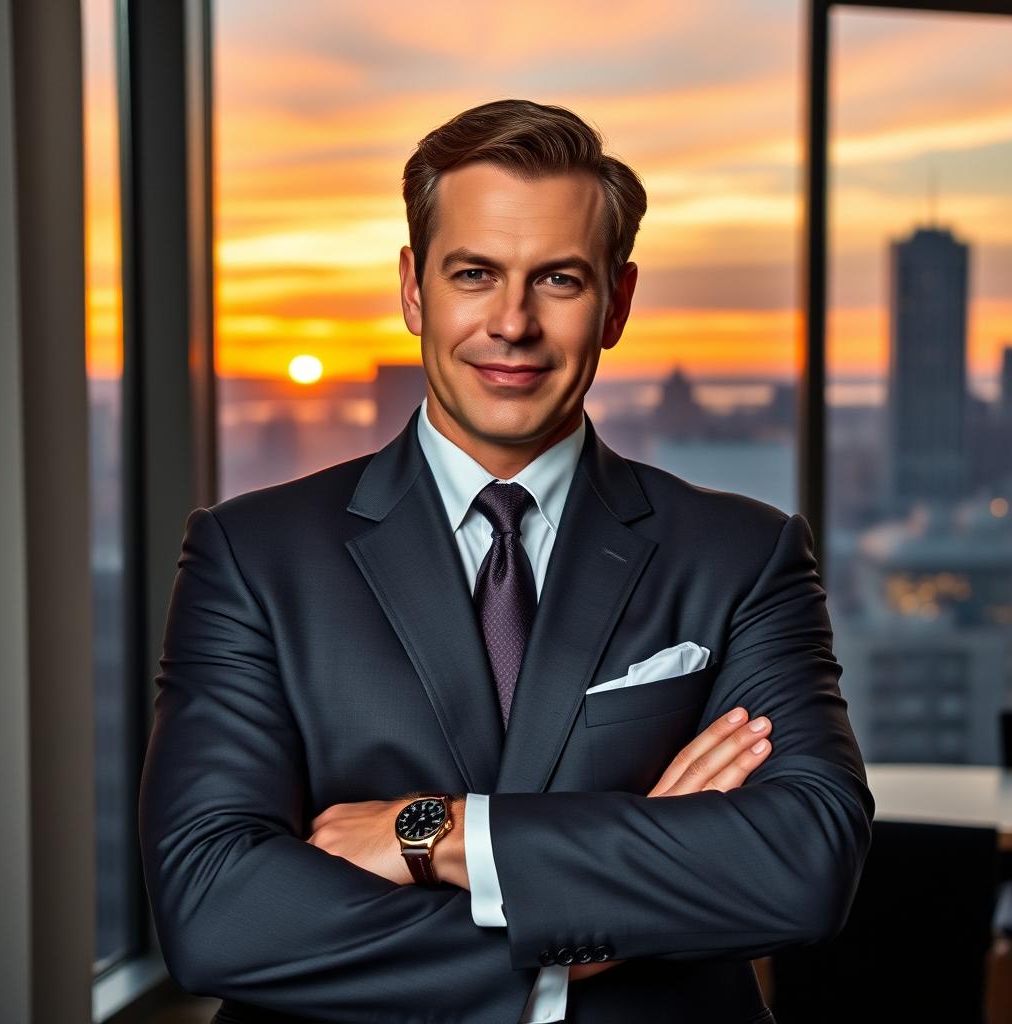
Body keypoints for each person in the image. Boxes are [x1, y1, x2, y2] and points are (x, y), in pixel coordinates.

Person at [138, 98, 874, 1024]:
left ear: (618, 301)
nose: (512, 324)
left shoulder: (742, 554)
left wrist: (438, 833)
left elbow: (803, 863)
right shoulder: (251, 556)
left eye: (559, 279)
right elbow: (217, 910)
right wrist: (580, 942)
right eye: (475, 273)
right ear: (414, 289)